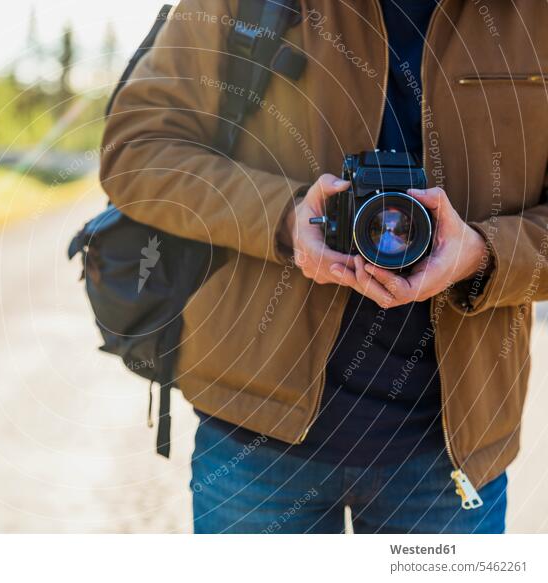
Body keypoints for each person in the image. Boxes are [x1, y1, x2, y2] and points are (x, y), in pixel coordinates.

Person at [99, 0, 548, 533]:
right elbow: (138, 149)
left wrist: (481, 252)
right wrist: (284, 218)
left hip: (455, 450)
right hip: (254, 432)